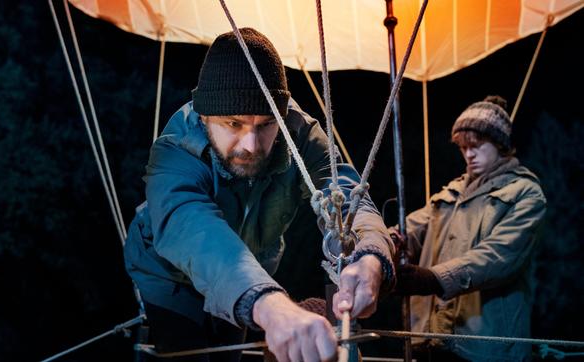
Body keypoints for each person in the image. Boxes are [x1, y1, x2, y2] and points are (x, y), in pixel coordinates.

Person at [123, 28, 395, 362]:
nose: (251, 145)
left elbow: (346, 194)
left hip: (252, 269)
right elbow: (194, 230)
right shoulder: (173, 151)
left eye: (265, 125)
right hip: (168, 274)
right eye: (233, 124)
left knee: (230, 354)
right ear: (204, 116)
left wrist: (371, 256)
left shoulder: (301, 135)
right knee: (185, 352)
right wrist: (272, 306)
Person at [391, 96, 547, 361]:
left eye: (476, 145)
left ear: (500, 144)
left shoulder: (526, 195)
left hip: (487, 348)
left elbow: (497, 257)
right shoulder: (451, 193)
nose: (469, 154)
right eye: (463, 147)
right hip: (434, 341)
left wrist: (433, 278)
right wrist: (380, 243)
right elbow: (412, 228)